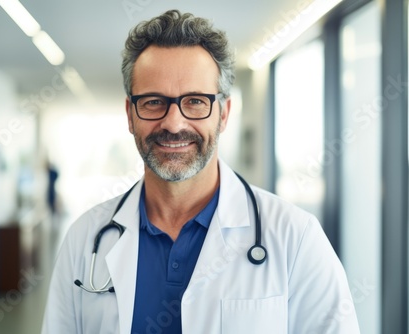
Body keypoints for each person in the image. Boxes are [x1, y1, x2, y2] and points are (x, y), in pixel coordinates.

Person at [41, 9, 360, 333]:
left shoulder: (296, 238)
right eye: (153, 101)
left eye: (195, 101)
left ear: (223, 114)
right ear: (130, 114)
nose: (173, 123)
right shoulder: (84, 240)